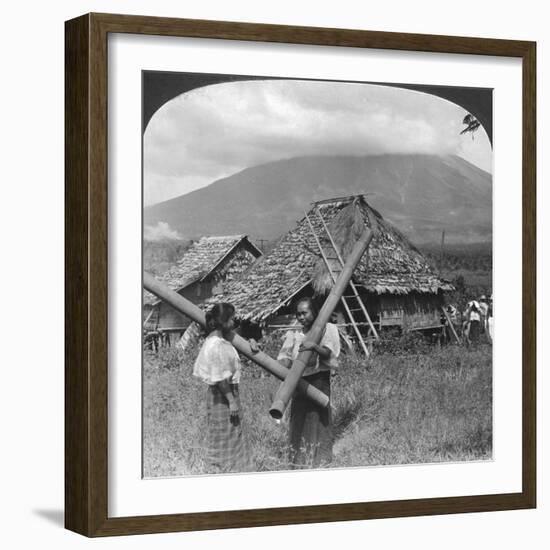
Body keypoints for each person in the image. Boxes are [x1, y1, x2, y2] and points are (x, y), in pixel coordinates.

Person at [277, 297, 340, 468]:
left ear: (314, 312)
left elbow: (328, 353)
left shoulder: (326, 329)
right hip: (299, 381)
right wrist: (281, 365)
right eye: (298, 314)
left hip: (319, 379)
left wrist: (314, 346)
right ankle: (298, 459)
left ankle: (321, 458)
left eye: (305, 313)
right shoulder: (294, 335)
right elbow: (285, 358)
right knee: (299, 417)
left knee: (318, 417)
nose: (301, 317)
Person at [193, 302, 252, 473]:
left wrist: (251, 343)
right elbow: (220, 379)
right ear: (224, 321)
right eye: (232, 319)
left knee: (222, 434)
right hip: (224, 395)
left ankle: (225, 470)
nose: (234, 322)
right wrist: (232, 402)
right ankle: (226, 470)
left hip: (218, 396)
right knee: (227, 435)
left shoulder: (214, 340)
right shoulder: (217, 345)